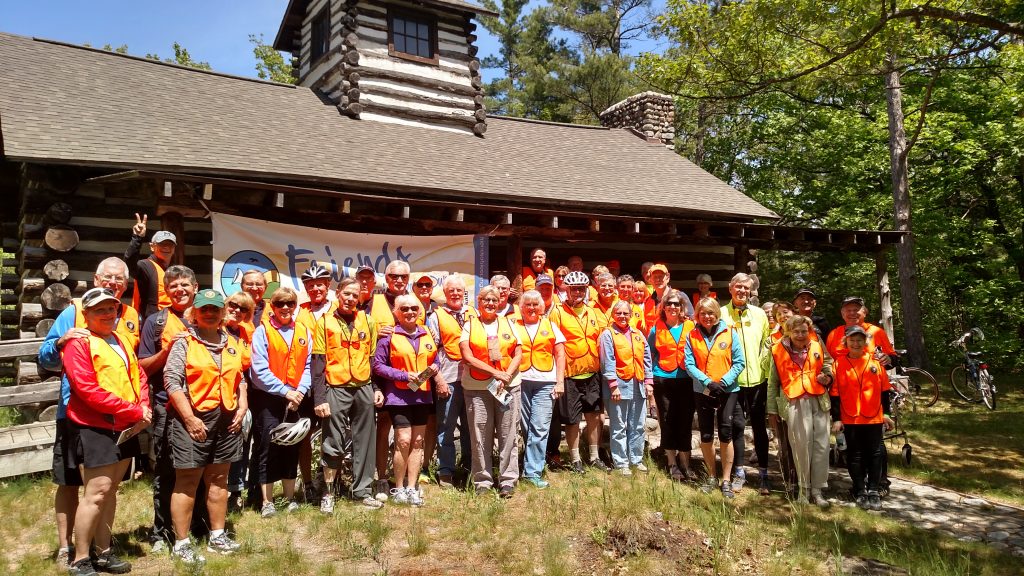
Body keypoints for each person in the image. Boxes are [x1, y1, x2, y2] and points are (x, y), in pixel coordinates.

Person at [38, 257, 140, 567]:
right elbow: (45, 356)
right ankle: (67, 548)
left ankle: (101, 549)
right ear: (96, 279)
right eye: (107, 277)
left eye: (118, 279)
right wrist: (61, 342)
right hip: (75, 412)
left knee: (107, 487)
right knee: (70, 482)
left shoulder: (129, 317)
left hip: (118, 416)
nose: (112, 282)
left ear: (125, 285)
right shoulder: (73, 312)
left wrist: (136, 406)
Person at [62, 287, 152, 576]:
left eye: (111, 308)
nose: (107, 313)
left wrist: (144, 408)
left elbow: (138, 375)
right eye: (99, 309)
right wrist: (136, 412)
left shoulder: (121, 339)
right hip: (95, 427)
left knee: (111, 491)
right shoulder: (79, 344)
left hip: (125, 426)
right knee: (96, 493)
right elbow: (87, 390)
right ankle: (80, 558)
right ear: (85, 314)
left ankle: (104, 552)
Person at [164, 289, 247, 564]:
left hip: (227, 419)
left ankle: (217, 535)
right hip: (194, 418)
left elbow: (241, 378)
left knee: (220, 478)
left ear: (223, 313)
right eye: (204, 310)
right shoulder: (184, 343)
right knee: (187, 481)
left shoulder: (233, 342)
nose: (209, 313)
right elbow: (172, 382)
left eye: (214, 309)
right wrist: (189, 418)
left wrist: (243, 405)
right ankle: (182, 542)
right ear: (194, 314)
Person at [138, 265, 199, 552]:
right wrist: (168, 350)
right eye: (173, 286)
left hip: (203, 405)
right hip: (166, 406)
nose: (180, 290)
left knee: (197, 469)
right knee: (165, 469)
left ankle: (194, 525)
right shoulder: (156, 322)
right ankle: (160, 532)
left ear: (195, 288)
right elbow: (143, 365)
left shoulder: (208, 316)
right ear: (166, 291)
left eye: (185, 284)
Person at [311, 277, 384, 511]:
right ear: (337, 294)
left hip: (363, 386)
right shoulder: (324, 323)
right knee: (333, 441)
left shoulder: (368, 322)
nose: (350, 298)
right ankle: (329, 492)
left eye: (355, 295)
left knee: (366, 440)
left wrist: (376, 388)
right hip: (336, 386)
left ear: (360, 297)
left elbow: (372, 360)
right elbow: (318, 363)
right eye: (346, 294)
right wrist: (319, 398)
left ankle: (362, 490)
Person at [249, 287, 312, 517]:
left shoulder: (304, 330)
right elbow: (259, 370)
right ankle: (267, 502)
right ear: (272, 307)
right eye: (280, 304)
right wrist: (286, 392)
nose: (285, 308)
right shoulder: (262, 331)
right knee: (268, 447)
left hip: (296, 397)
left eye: (290, 303)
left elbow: (307, 366)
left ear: (295, 306)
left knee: (291, 446)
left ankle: (289, 497)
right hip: (269, 397)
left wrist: (300, 392)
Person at [372, 294, 440, 506]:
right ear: (396, 312)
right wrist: (403, 375)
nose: (410, 312)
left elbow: (434, 359)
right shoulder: (389, 335)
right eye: (405, 309)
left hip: (422, 396)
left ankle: (412, 487)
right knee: (402, 440)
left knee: (418, 442)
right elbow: (378, 366)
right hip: (398, 397)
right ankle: (398, 487)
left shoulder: (426, 332)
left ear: (420, 312)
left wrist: (434, 369)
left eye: (414, 308)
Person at [460, 286, 523, 497]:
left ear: (500, 302)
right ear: (479, 302)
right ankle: (483, 481)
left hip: (508, 386)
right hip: (477, 388)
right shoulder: (469, 325)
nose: (490, 303)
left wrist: (507, 375)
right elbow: (467, 357)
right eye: (486, 299)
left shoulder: (509, 323)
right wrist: (495, 373)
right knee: (480, 435)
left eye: (494, 300)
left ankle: (508, 480)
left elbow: (518, 352)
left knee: (508, 434)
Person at [767, 315, 833, 507]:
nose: (801, 335)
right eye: (796, 331)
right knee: (800, 446)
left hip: (818, 399)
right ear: (788, 332)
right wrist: (772, 409)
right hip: (793, 400)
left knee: (821, 445)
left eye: (804, 331)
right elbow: (773, 382)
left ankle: (818, 490)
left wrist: (828, 376)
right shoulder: (778, 349)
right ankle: (803, 490)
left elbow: (829, 363)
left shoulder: (816, 343)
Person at [546, 270, 608, 473]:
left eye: (581, 289)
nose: (578, 292)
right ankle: (575, 459)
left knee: (593, 417)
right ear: (567, 290)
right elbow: (553, 343)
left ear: (586, 290)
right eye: (574, 289)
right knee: (572, 420)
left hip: (592, 372)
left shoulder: (594, 312)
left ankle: (593, 456)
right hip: (570, 374)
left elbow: (604, 338)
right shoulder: (557, 312)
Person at [684, 297, 745, 499]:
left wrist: (724, 382)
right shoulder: (691, 335)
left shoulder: (729, 332)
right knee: (707, 434)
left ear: (717, 313)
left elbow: (739, 362)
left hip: (728, 390)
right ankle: (712, 476)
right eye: (703, 313)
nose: (707, 317)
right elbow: (689, 364)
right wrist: (707, 382)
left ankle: (726, 480)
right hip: (703, 390)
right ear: (698, 315)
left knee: (726, 433)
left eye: (711, 313)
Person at [830, 325, 894, 511]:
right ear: (846, 342)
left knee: (875, 454)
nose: (856, 343)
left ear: (865, 342)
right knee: (855, 454)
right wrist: (837, 418)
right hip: (850, 418)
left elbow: (884, 392)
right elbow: (835, 394)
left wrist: (886, 414)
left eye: (859, 340)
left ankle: (874, 490)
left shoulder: (875, 362)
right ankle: (859, 489)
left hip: (873, 417)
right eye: (852, 340)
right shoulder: (838, 364)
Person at [721, 272, 772, 495]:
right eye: (738, 287)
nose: (742, 291)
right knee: (737, 427)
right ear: (730, 288)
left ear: (751, 291)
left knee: (760, 428)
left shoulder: (760, 314)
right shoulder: (721, 314)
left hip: (758, 379)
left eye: (746, 288)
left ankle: (763, 473)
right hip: (734, 381)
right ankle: (739, 473)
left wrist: (766, 371)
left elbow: (767, 344)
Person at [424, 275, 475, 488]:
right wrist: (439, 379)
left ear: (464, 293)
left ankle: (469, 467)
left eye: (458, 290)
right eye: (450, 290)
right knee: (446, 426)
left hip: (473, 379)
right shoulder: (436, 316)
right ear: (445, 294)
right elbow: (431, 351)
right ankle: (445, 470)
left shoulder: (474, 313)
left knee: (471, 426)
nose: (455, 293)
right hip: (449, 377)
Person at [366, 260, 409, 498]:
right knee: (383, 427)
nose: (399, 280)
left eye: (403, 276)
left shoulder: (415, 304)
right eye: (394, 276)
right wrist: (375, 333)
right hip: (381, 375)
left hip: (407, 375)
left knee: (407, 431)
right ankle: (381, 477)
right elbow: (360, 332)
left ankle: (402, 478)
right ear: (386, 277)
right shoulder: (374, 301)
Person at [295, 264, 337, 503]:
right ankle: (308, 483)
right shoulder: (299, 312)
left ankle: (330, 483)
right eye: (310, 286)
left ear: (328, 285)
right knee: (305, 433)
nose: (315, 289)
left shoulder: (340, 309)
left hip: (334, 379)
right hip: (307, 380)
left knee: (332, 434)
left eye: (319, 284)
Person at [515, 290, 565, 488]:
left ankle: (532, 472)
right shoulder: (513, 325)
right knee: (526, 426)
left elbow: (560, 355)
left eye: (536, 304)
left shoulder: (551, 326)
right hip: (521, 381)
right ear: (521, 307)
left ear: (542, 307)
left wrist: (559, 382)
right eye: (528, 304)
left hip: (546, 382)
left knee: (540, 427)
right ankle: (528, 461)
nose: (532, 308)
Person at [647, 289, 698, 482]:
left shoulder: (691, 326)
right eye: (669, 303)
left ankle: (686, 463)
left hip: (686, 379)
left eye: (677, 303)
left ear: (682, 306)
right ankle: (671, 463)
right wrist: (649, 381)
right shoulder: (656, 328)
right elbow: (649, 354)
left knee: (685, 420)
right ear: (664, 307)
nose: (673, 307)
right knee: (667, 420)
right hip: (663, 379)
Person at [600, 301, 654, 475]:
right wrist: (613, 386)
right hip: (618, 387)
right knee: (619, 426)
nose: (623, 316)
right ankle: (621, 462)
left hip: (638, 385)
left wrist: (649, 382)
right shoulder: (608, 334)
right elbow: (607, 361)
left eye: (626, 313)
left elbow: (647, 359)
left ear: (631, 315)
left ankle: (636, 459)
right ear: (613, 315)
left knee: (638, 425)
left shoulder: (638, 334)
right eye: (619, 313)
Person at [223, 291, 255, 510]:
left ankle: (235, 492)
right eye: (233, 305)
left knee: (240, 444)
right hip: (219, 395)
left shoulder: (245, 332)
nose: (237, 311)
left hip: (242, 394)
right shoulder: (216, 328)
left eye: (244, 308)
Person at [124, 213, 175, 319]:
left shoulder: (172, 270)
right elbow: (130, 263)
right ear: (152, 246)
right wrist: (137, 238)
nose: (166, 247)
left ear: (174, 249)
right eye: (161, 244)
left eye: (169, 244)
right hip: (150, 325)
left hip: (170, 323)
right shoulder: (146, 266)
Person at [825, 297, 896, 362]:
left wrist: (888, 359)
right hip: (841, 374)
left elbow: (893, 358)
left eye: (856, 310)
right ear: (842, 314)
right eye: (848, 310)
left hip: (870, 374)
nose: (852, 313)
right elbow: (826, 361)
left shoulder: (877, 332)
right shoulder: (834, 334)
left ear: (864, 312)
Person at [644, 264, 694, 330]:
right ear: (650, 279)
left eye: (661, 276)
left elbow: (692, 320)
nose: (658, 279)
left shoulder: (680, 296)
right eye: (655, 277)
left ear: (668, 277)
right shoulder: (647, 301)